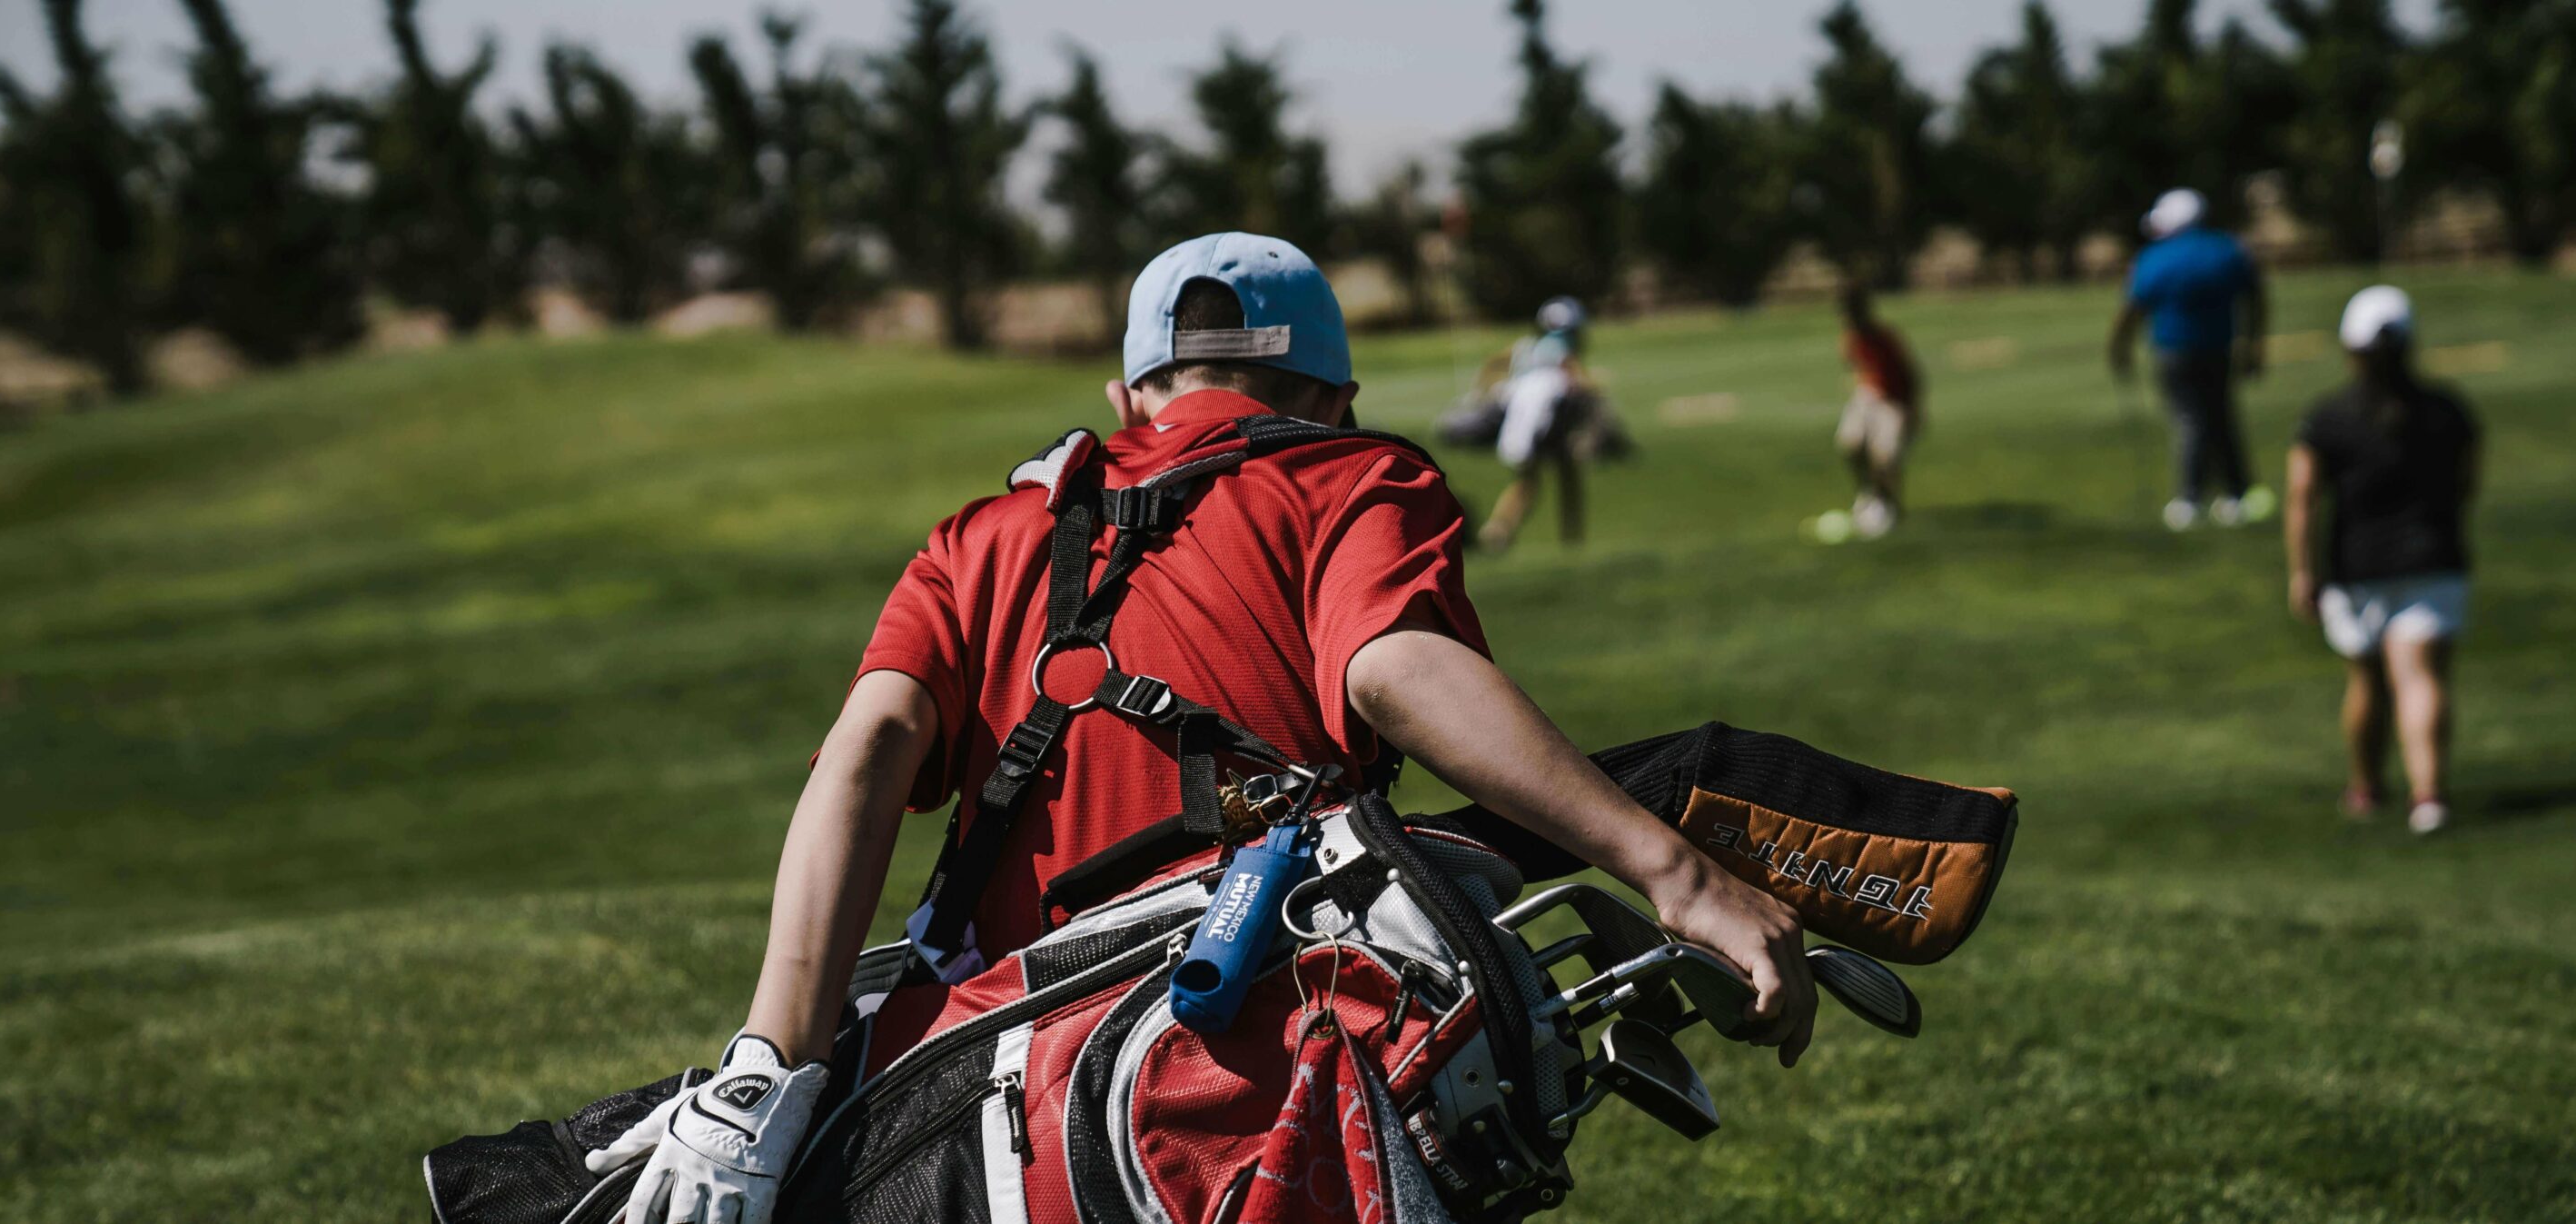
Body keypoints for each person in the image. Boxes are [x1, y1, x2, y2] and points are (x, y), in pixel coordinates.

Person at [599, 234, 1817, 1224]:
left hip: (985, 1130)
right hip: (1256, 1104)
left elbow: (867, 751)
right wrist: (1674, 868)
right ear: (1334, 393)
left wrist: (767, 1060)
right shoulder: (1351, 479)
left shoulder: (980, 536)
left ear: (1129, 394)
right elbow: (1397, 668)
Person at [2285, 285, 2479, 836]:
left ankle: (2367, 787)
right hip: (2436, 558)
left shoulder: (2328, 418)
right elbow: (2467, 483)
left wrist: (2303, 571)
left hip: (2358, 567)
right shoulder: (2447, 410)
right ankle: (2429, 797)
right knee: (2420, 677)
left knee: (2368, 680)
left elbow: (2303, 498)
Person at [2109, 187, 2274, 531]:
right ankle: (2236, 493)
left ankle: (2190, 499)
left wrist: (2119, 349)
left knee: (2191, 420)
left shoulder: (2156, 256)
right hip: (2219, 349)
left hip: (2173, 351)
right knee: (2219, 416)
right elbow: (2256, 297)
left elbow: (2132, 308)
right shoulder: (2228, 249)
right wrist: (2254, 346)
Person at [1481, 295, 1597, 552]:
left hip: (1518, 427)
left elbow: (1492, 365)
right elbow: (1582, 383)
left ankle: (1498, 530)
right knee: (1552, 477)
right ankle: (1569, 538)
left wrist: (1485, 391)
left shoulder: (1526, 346)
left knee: (1528, 482)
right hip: (1544, 429)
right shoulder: (1562, 349)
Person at [1818, 281, 1924, 542]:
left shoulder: (1886, 337)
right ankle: (1868, 495)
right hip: (1867, 398)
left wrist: (1913, 409)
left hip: (1894, 402)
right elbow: (1855, 367)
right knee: (1850, 444)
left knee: (1884, 458)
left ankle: (1889, 507)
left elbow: (1911, 375)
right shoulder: (1850, 339)